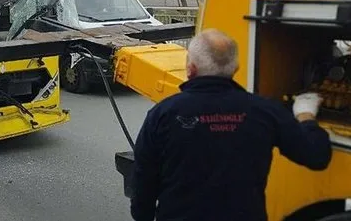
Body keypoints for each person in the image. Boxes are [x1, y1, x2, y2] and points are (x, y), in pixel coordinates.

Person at [130, 29, 332, 221]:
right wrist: (306, 115)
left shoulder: (163, 114)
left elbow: (144, 179)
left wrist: (143, 216)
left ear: (190, 69)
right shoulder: (265, 111)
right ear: (235, 68)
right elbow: (317, 156)